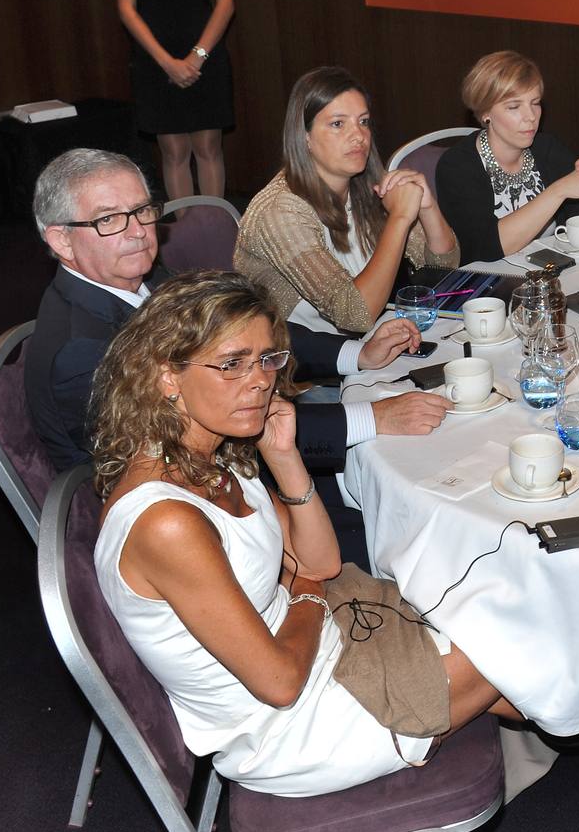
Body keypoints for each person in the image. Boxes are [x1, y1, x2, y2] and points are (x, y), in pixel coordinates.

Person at [89, 270, 519, 796]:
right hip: (287, 729)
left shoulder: (211, 456)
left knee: (526, 674)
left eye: (267, 358)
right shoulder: (166, 522)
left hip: (316, 644)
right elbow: (280, 680)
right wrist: (309, 596)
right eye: (231, 364)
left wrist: (286, 459)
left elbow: (322, 562)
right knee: (519, 644)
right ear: (166, 377)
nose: (260, 381)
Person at [24, 148, 449, 567]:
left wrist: (356, 354)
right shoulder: (80, 351)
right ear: (61, 239)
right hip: (202, 527)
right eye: (109, 219)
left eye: (142, 210)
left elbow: (246, 335)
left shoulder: (141, 274)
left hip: (243, 473)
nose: (137, 231)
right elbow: (207, 440)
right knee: (414, 540)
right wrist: (371, 418)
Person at [236, 66, 459, 334]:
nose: (358, 136)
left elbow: (444, 267)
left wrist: (427, 206)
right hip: (305, 363)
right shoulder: (279, 211)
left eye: (363, 122)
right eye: (338, 124)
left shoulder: (367, 184)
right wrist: (400, 218)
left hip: (373, 340)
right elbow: (355, 315)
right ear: (304, 136)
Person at [435, 51, 579, 262]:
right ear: (485, 113)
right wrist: (558, 191)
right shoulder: (457, 166)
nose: (531, 117)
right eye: (514, 107)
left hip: (548, 277)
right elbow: (485, 248)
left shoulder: (547, 148)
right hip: (490, 286)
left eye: (535, 103)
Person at [109, 0, 235, 200]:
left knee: (208, 145)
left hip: (206, 55)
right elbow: (126, 8)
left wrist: (197, 56)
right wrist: (167, 62)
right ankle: (185, 234)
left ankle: (215, 228)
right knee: (174, 150)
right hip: (154, 60)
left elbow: (225, 4)